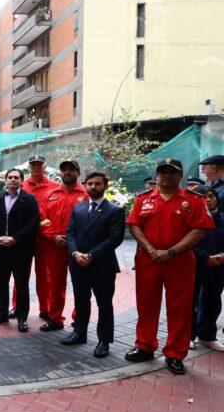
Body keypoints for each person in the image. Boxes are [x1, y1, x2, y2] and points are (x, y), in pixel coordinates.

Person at [125, 158, 213, 375]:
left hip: (180, 261)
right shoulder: (143, 199)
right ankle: (144, 346)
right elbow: (135, 226)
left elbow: (199, 230)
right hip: (148, 260)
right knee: (146, 305)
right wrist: (151, 250)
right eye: (162, 172)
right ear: (157, 175)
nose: (166, 176)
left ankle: (174, 353)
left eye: (172, 172)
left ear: (180, 176)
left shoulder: (193, 200)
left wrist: (171, 251)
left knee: (180, 309)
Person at [61, 172, 126, 357]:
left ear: (105, 185)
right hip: (78, 263)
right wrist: (75, 253)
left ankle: (104, 341)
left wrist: (91, 255)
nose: (92, 187)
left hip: (102, 265)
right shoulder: (78, 208)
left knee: (104, 303)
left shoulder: (115, 210)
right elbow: (70, 233)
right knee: (81, 300)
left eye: (97, 184)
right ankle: (79, 333)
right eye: (89, 184)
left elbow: (115, 238)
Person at [0, 168, 39, 332]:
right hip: (1, 248)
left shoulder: (29, 199)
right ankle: (1, 314)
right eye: (10, 177)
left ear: (22, 181)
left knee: (22, 284)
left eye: (17, 177)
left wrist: (15, 239)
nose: (13, 180)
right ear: (6, 180)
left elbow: (33, 223)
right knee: (2, 283)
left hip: (21, 249)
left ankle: (22, 318)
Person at [37, 160, 88, 331]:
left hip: (78, 248)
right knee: (55, 284)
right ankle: (55, 319)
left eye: (71, 170)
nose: (67, 172)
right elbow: (42, 218)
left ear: (78, 173)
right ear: (60, 173)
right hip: (54, 246)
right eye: (64, 170)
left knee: (80, 285)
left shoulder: (86, 194)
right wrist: (53, 236)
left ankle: (78, 320)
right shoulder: (50, 194)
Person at [15, 154, 57, 322]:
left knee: (45, 274)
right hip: (24, 237)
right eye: (33, 165)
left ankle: (45, 308)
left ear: (45, 167)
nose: (36, 168)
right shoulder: (21, 185)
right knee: (19, 273)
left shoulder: (55, 186)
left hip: (45, 237)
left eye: (40, 165)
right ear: (29, 167)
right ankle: (17, 306)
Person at [190, 186, 224, 351]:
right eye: (203, 197)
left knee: (213, 302)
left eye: (211, 196)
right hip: (195, 265)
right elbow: (186, 243)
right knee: (190, 302)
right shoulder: (189, 219)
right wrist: (206, 258)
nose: (209, 200)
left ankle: (206, 336)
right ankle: (188, 336)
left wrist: (221, 256)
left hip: (218, 266)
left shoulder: (222, 218)